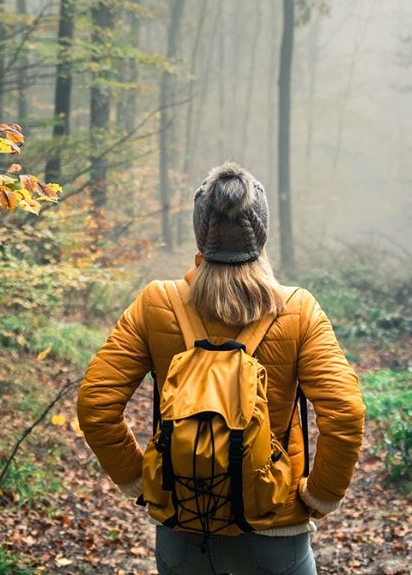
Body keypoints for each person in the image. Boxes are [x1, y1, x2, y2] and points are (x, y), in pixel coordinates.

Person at [77, 161, 365, 575]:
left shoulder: (156, 303)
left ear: (201, 232)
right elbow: (345, 412)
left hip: (182, 522)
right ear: (261, 234)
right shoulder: (298, 310)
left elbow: (95, 403)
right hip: (275, 528)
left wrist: (140, 479)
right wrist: (321, 495)